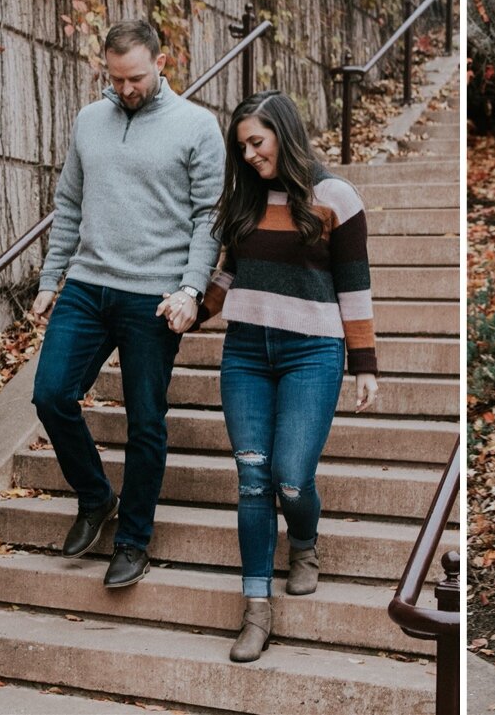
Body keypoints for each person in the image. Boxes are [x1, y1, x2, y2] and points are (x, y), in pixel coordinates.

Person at [30, 20, 224, 589]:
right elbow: (68, 204)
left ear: (161, 62)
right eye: (115, 79)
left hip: (155, 295)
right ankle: (96, 496)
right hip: (87, 286)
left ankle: (134, 540)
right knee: (51, 394)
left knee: (145, 422)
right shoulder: (90, 120)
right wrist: (51, 277)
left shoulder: (197, 126)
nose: (126, 88)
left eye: (135, 77)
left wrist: (191, 289)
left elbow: (208, 216)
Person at [196, 90, 380, 663]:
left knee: (291, 477)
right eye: (242, 146)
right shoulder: (243, 199)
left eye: (257, 141)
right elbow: (229, 277)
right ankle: (256, 608)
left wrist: (364, 362)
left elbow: (353, 284)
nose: (249, 155)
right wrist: (191, 309)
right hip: (246, 352)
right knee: (253, 479)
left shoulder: (336, 198)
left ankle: (304, 543)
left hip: (312, 354)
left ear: (285, 133)